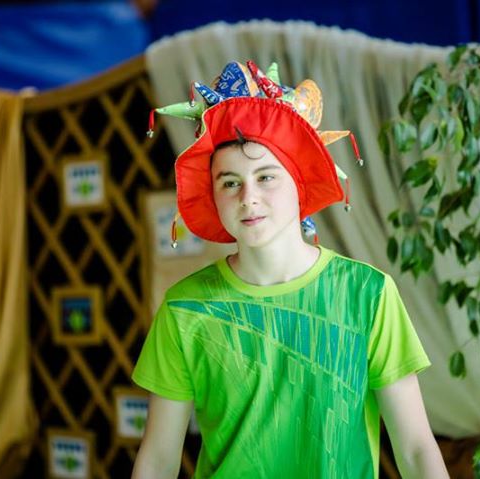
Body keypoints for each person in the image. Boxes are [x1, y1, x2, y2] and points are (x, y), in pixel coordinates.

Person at [131, 60, 449, 479]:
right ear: (213, 196)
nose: (248, 197)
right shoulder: (183, 309)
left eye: (266, 177)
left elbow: (416, 449)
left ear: (300, 183)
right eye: (230, 182)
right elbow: (157, 460)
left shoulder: (368, 294)